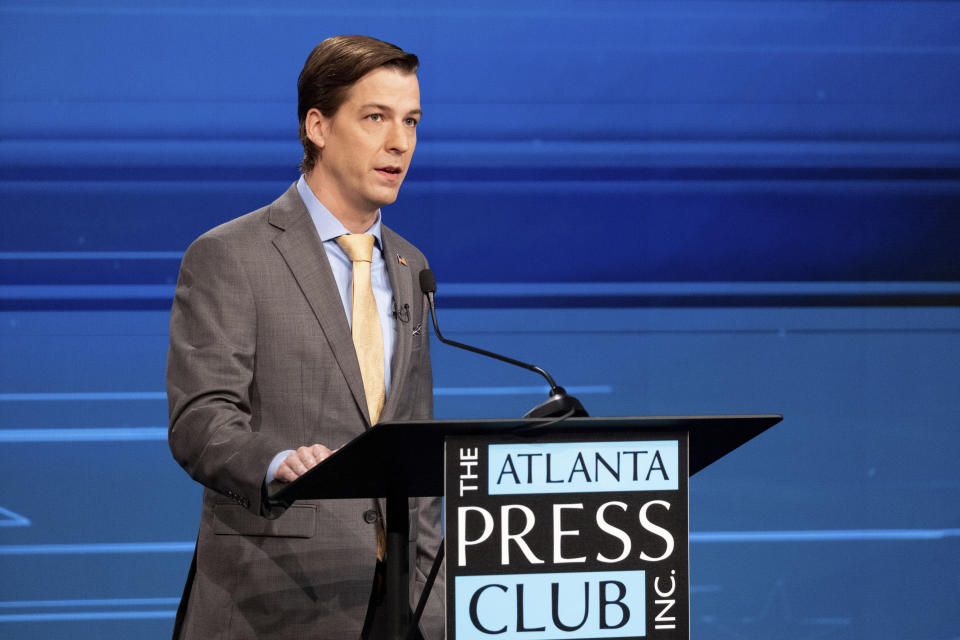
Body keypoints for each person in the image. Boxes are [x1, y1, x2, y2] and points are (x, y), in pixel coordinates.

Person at [166, 35, 443, 639]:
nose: (400, 142)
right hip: (276, 599)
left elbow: (414, 445)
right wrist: (273, 463)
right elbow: (201, 420)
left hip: (398, 605)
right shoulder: (229, 256)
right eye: (376, 118)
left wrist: (439, 607)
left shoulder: (409, 267)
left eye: (411, 121)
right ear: (317, 125)